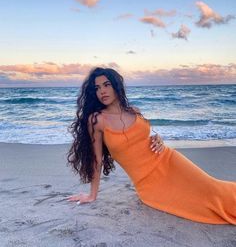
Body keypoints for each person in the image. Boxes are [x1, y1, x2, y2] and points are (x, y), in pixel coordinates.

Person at [67, 67, 236, 225]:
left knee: (212, 188)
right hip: (148, 184)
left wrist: (159, 139)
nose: (102, 91)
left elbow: (145, 136)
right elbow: (97, 160)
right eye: (97, 88)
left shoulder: (133, 110)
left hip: (168, 160)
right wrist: (92, 195)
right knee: (198, 205)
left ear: (116, 86)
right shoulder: (97, 120)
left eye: (106, 85)